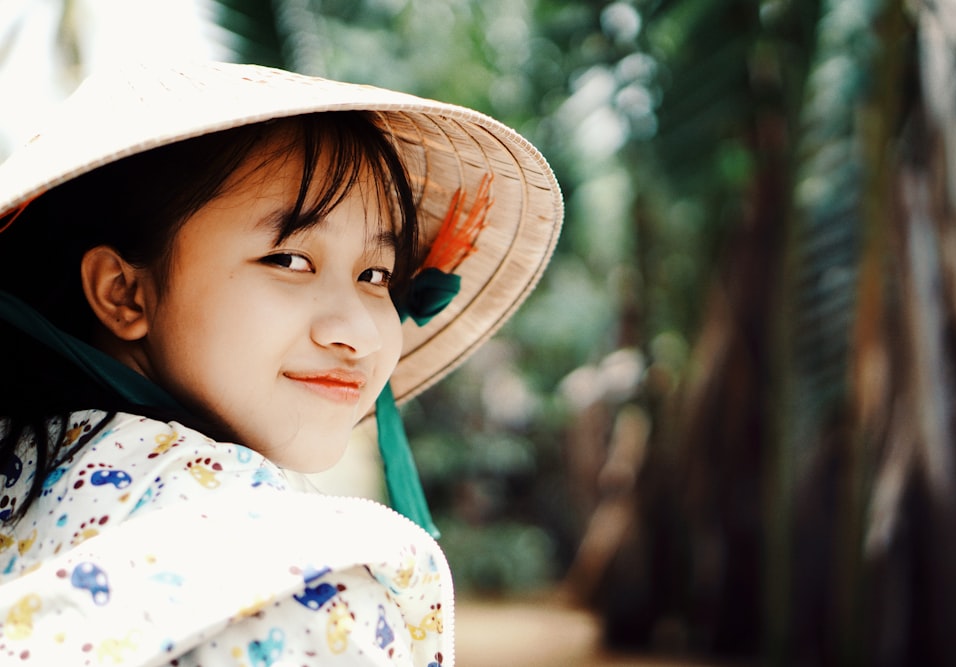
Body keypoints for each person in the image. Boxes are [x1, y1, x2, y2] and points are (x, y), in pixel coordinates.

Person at [0, 62, 562, 666]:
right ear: (124, 293)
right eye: (291, 260)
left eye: (376, 276)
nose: (359, 335)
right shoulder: (303, 587)